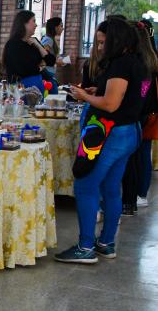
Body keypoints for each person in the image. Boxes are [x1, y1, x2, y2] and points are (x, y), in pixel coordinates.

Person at [56, 18, 146, 264]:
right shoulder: (139, 63)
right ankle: (106, 243)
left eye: (103, 42)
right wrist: (98, 91)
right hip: (129, 131)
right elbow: (126, 96)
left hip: (109, 133)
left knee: (85, 185)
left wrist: (85, 95)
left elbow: (111, 104)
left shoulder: (120, 64)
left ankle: (85, 246)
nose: (100, 47)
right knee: (110, 188)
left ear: (116, 40)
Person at [120, 21, 158, 214]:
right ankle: (140, 193)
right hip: (147, 112)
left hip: (141, 114)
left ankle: (138, 195)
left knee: (137, 157)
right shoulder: (151, 59)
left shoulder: (141, 63)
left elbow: (143, 92)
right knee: (142, 154)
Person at [3, 10, 55, 94]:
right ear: (24, 23)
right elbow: (22, 69)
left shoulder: (34, 42)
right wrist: (39, 68)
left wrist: (38, 46)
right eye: (33, 21)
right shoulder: (13, 44)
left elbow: (51, 61)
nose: (36, 25)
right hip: (21, 89)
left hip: (36, 87)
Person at [40, 17, 65, 87]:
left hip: (49, 72)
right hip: (46, 73)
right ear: (55, 27)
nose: (62, 28)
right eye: (61, 26)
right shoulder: (48, 40)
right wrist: (57, 61)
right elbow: (45, 56)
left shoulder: (51, 39)